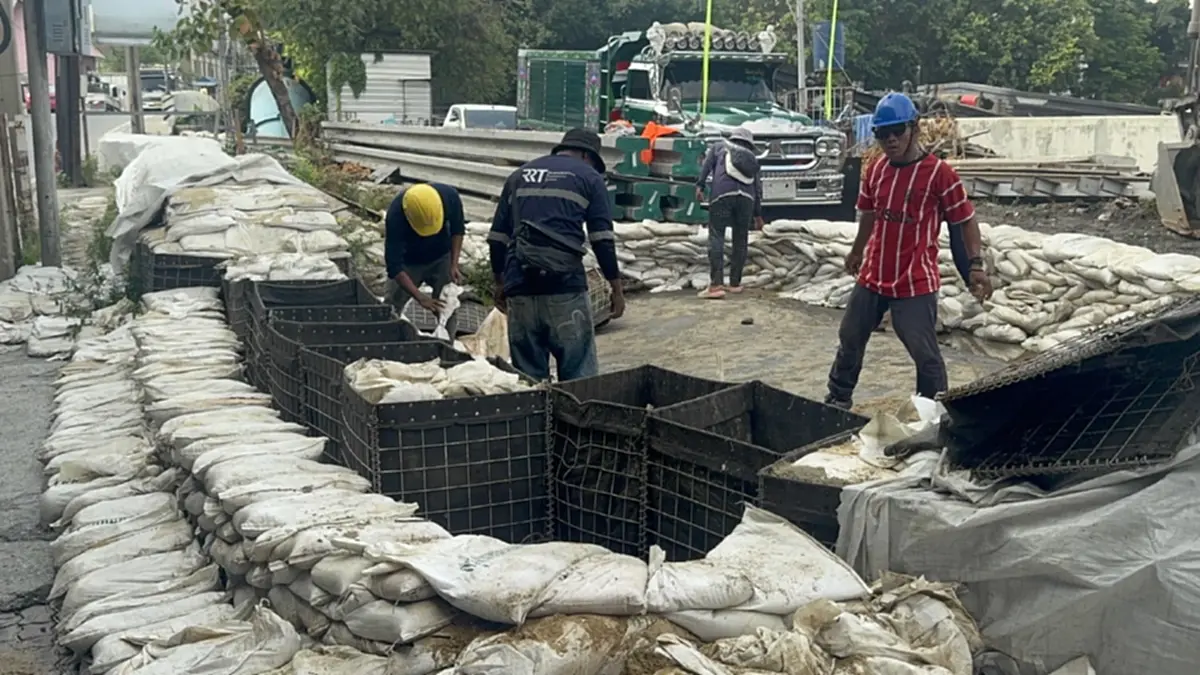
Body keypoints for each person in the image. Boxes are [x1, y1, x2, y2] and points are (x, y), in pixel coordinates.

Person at [825, 92, 993, 409]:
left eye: (897, 131)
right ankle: (838, 398)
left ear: (914, 128)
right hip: (874, 275)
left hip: (914, 280)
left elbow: (965, 220)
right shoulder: (876, 170)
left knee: (923, 351)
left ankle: (934, 409)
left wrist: (974, 265)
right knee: (850, 336)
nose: (890, 139)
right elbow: (868, 215)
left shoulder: (939, 174)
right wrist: (857, 251)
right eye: (882, 133)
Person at [487, 128, 625, 382]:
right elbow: (602, 239)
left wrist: (500, 283)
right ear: (587, 155)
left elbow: (497, 238)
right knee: (579, 376)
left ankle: (534, 408)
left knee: (529, 380)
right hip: (564, 288)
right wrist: (616, 288)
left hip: (520, 288)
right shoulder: (590, 178)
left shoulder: (518, 176)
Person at [384, 182, 465, 336]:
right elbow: (394, 266)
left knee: (447, 306)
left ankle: (446, 343)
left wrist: (454, 264)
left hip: (442, 257)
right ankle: (387, 340)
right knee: (391, 308)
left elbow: (458, 231)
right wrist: (420, 297)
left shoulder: (449, 197)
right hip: (408, 262)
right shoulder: (396, 215)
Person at [695, 127, 765, 299]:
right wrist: (758, 215)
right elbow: (757, 188)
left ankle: (716, 285)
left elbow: (706, 167)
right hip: (747, 200)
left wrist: (700, 186)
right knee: (740, 239)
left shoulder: (719, 147)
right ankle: (735, 284)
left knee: (716, 235)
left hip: (722, 195)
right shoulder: (751, 158)